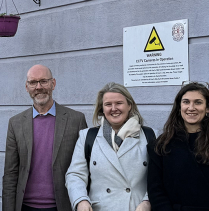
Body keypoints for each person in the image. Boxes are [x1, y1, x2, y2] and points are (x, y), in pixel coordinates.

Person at [147, 82, 209, 210]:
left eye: (198, 102)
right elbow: (156, 191)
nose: (191, 107)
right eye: (186, 102)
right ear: (179, 107)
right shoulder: (161, 145)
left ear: (208, 108)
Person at [3, 65, 88, 211]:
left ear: (53, 83)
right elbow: (11, 174)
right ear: (27, 87)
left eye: (43, 81)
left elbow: (85, 168)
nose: (38, 87)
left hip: (63, 205)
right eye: (33, 82)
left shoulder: (76, 120)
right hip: (25, 206)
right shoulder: (15, 123)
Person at [65, 82, 155, 211]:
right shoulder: (87, 137)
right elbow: (75, 175)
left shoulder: (149, 136)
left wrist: (147, 201)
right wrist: (81, 200)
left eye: (119, 103)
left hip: (137, 207)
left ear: (129, 105)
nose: (113, 108)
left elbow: (159, 177)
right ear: (102, 108)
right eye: (108, 104)